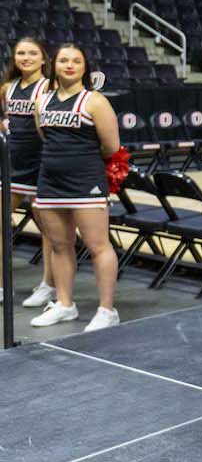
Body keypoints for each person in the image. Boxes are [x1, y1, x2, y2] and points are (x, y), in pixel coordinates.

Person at [29, 44, 121, 331]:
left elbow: (111, 146)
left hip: (86, 183)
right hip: (50, 182)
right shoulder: (41, 101)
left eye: (76, 61)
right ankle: (65, 304)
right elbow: (45, 136)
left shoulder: (94, 101)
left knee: (98, 246)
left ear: (85, 67)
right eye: (64, 60)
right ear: (54, 65)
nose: (70, 65)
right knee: (59, 245)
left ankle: (107, 310)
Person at [1, 38, 55, 309]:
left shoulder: (49, 86)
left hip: (41, 164)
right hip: (12, 165)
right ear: (14, 58)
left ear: (43, 59)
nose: (26, 57)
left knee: (48, 230)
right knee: (0, 224)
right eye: (20, 53)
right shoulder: (7, 88)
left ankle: (47, 286)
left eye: (32, 53)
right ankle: (1, 285)